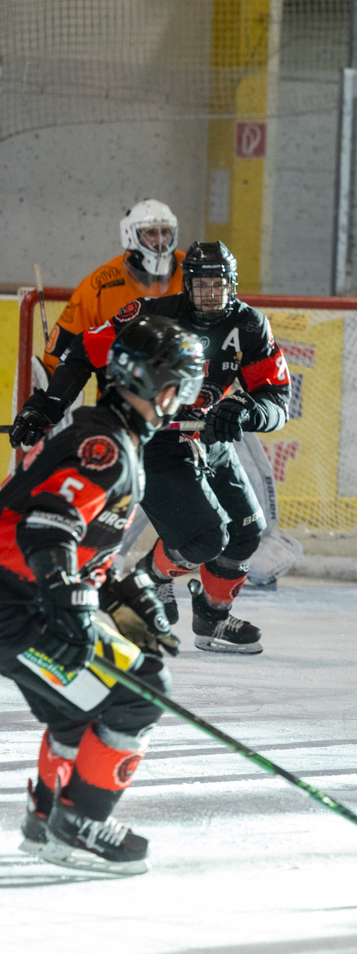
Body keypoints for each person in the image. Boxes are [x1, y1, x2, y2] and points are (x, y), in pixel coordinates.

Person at [10, 241, 291, 655]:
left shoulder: (249, 326)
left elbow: (276, 399)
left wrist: (248, 410)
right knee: (205, 540)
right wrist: (48, 405)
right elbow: (84, 350)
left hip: (209, 440)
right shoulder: (151, 316)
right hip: (156, 443)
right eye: (202, 285)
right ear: (186, 285)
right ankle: (149, 578)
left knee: (247, 532)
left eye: (218, 285)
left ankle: (212, 620)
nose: (210, 294)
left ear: (232, 285)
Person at [4, 314, 206, 874]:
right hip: (17, 606)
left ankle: (45, 820)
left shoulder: (104, 433)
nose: (182, 399)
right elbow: (48, 528)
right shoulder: (107, 447)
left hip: (17, 600)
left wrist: (114, 590)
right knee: (144, 690)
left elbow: (72, 534)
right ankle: (80, 826)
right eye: (180, 385)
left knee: (78, 706)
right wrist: (73, 610)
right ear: (158, 386)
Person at [41, 200, 185, 376]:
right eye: (150, 233)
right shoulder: (101, 284)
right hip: (117, 390)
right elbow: (57, 356)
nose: (160, 241)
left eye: (166, 232)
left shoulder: (192, 272)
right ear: (130, 234)